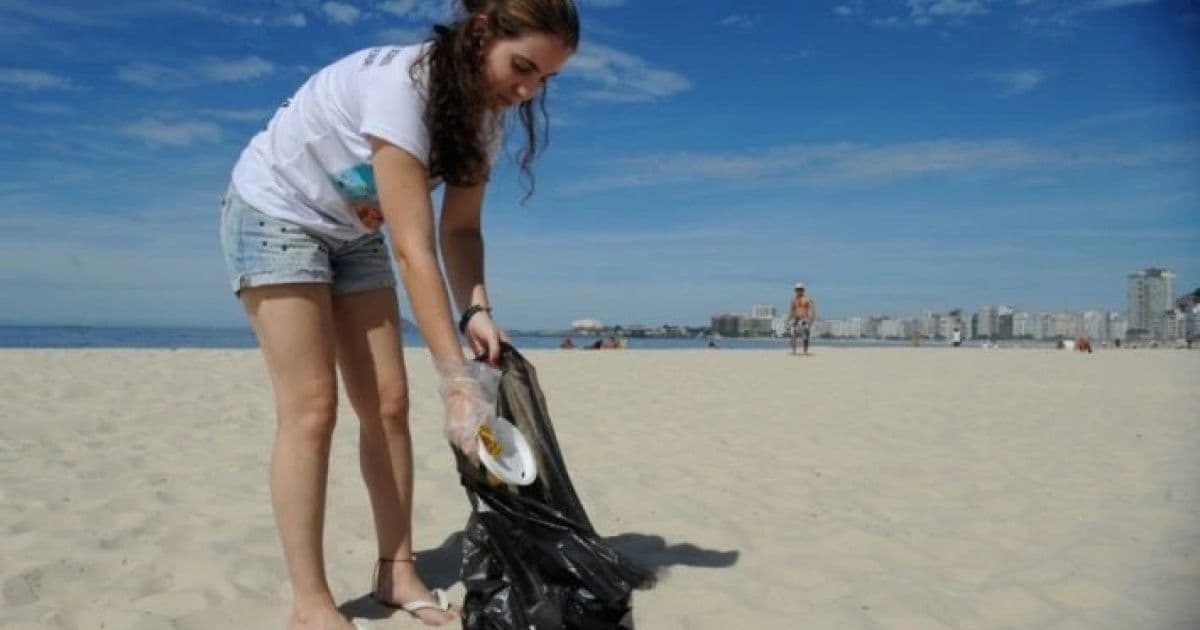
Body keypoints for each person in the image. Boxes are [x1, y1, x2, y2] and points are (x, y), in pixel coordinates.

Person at [217, 2, 579, 628]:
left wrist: (477, 310)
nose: (525, 93)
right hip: (275, 212)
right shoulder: (402, 89)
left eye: (542, 81)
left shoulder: (483, 117)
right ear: (480, 32)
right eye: (521, 68)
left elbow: (460, 231)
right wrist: (458, 383)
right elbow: (415, 253)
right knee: (312, 407)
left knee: (388, 403)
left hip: (352, 230)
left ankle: (396, 569)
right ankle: (310, 603)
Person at [788, 282, 816, 355]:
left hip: (804, 319)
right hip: (795, 319)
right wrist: (788, 320)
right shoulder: (793, 300)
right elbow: (791, 311)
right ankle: (794, 351)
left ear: (803, 290)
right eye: (797, 289)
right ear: (795, 290)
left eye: (800, 289)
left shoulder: (808, 299)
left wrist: (811, 321)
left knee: (805, 336)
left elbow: (812, 311)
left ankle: (805, 351)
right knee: (793, 335)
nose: (798, 291)